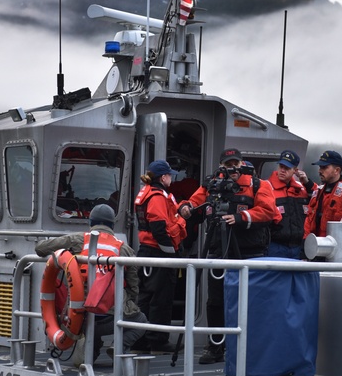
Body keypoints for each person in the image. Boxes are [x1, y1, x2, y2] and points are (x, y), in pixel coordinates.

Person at [178, 148, 278, 363]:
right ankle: (215, 347)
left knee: (250, 299)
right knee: (215, 300)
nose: (232, 168)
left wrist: (241, 217)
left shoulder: (259, 184)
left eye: (235, 163)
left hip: (249, 250)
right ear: (221, 165)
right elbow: (194, 201)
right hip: (218, 247)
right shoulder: (211, 184)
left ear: (242, 163)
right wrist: (185, 207)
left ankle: (250, 346)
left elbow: (269, 211)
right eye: (227, 164)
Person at [34, 203, 146, 363]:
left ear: (91, 223)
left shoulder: (78, 240)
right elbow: (133, 285)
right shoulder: (124, 249)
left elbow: (41, 248)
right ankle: (118, 347)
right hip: (111, 316)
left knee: (89, 334)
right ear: (112, 226)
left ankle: (87, 359)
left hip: (80, 316)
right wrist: (130, 305)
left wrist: (66, 254)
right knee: (140, 320)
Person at [134, 159, 187, 353]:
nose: (171, 178)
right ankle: (157, 340)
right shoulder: (157, 197)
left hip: (149, 251)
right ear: (163, 177)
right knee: (160, 298)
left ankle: (140, 339)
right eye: (169, 175)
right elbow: (158, 227)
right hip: (157, 252)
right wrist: (171, 253)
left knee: (146, 297)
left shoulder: (151, 193)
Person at [304, 150, 342, 240]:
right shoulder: (318, 191)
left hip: (340, 249)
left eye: (324, 167)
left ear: (337, 170)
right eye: (320, 167)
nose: (320, 171)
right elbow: (309, 221)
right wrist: (306, 243)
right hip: (317, 247)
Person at [266, 149, 312, 259]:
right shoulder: (267, 187)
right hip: (275, 246)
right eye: (281, 166)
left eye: (287, 168)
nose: (282, 170)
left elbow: (318, 197)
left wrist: (307, 183)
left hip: (298, 247)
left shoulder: (301, 189)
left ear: (295, 170)